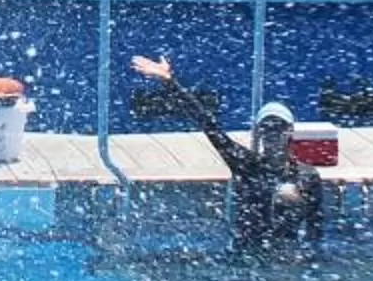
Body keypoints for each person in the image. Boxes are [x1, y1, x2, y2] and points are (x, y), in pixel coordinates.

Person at [128, 52, 322, 253]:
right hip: (247, 258)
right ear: (259, 133)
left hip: (287, 257)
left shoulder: (307, 176)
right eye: (267, 127)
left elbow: (315, 230)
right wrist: (170, 82)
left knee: (289, 194)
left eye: (279, 127)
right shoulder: (246, 165)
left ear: (290, 131)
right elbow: (208, 124)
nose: (273, 133)